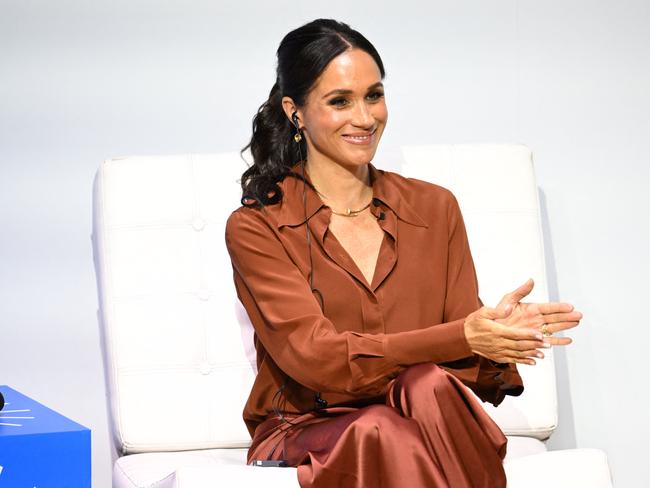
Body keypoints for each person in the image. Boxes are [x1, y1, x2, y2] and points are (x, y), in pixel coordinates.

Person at [225, 18, 581, 488]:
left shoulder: (435, 208)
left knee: (428, 383)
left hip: (420, 410)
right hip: (306, 426)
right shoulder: (258, 226)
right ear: (295, 112)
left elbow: (458, 360)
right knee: (382, 428)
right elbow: (316, 359)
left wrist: (495, 334)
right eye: (339, 101)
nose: (365, 118)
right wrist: (461, 336)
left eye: (374, 95)